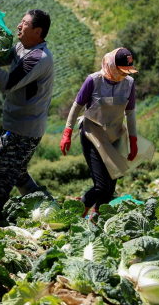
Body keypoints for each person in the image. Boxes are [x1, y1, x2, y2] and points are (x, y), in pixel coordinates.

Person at [0, 9, 54, 228]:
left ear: (37, 31)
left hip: (24, 129)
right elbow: (6, 57)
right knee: (17, 172)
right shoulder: (22, 47)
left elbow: (7, 84)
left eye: (24, 24)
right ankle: (46, 208)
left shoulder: (37, 58)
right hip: (20, 125)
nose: (18, 25)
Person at [60, 48, 139, 218]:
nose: (124, 75)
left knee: (110, 188)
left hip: (114, 136)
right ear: (111, 66)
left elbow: (130, 112)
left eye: (127, 71)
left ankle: (95, 219)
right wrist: (67, 133)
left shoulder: (129, 83)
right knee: (101, 186)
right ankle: (76, 215)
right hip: (92, 135)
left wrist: (133, 140)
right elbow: (76, 107)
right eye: (121, 71)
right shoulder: (93, 81)